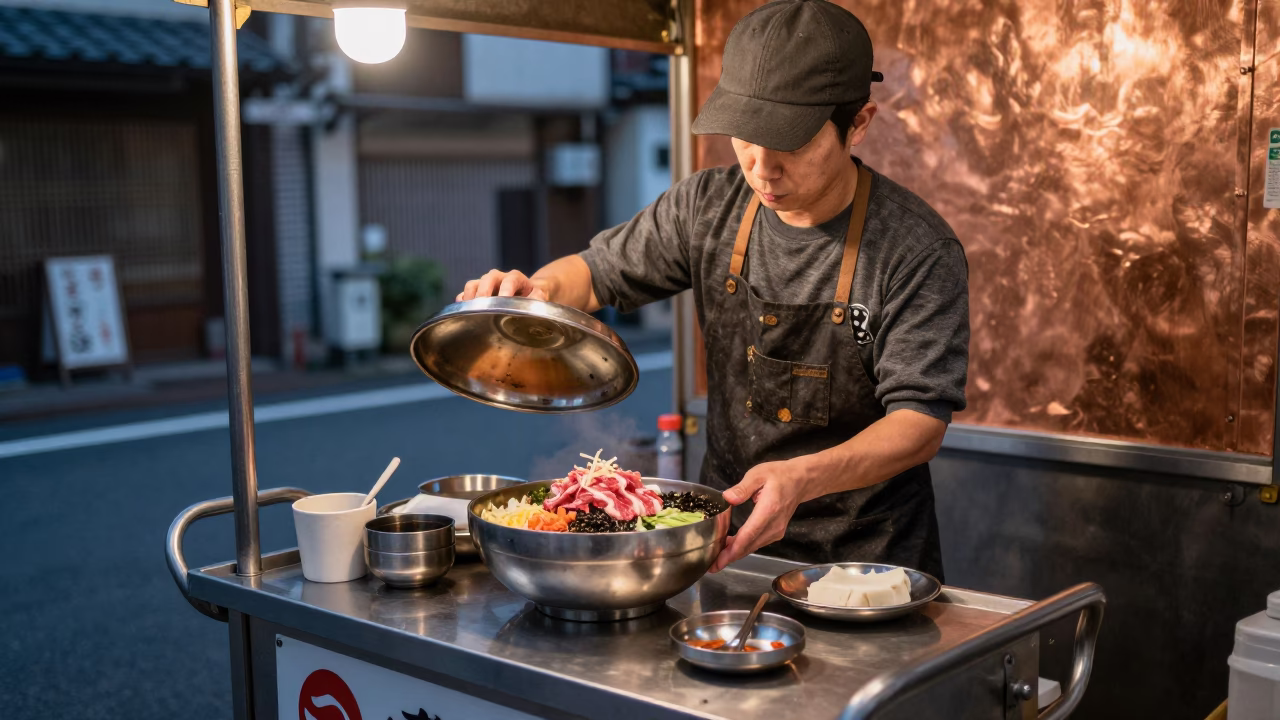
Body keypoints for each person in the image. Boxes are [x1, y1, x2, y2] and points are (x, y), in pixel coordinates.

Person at [457, 0, 968, 580]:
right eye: (745, 137)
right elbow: (595, 273)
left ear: (859, 123)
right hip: (726, 548)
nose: (762, 166)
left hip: (868, 563)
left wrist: (801, 476)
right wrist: (534, 289)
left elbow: (919, 422)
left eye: (792, 142)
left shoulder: (916, 248)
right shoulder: (707, 206)